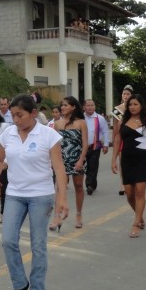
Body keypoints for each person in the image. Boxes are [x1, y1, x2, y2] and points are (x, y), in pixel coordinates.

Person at [0, 94, 67, 290]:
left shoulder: (48, 135)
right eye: (13, 115)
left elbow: (59, 168)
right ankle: (19, 285)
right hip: (14, 194)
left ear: (33, 113)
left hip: (41, 195)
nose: (15, 120)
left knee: (38, 246)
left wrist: (61, 197)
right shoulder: (8, 134)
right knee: (7, 241)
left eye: (20, 115)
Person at [110, 94, 146, 238]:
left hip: (143, 160)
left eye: (135, 104)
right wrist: (113, 160)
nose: (132, 107)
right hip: (126, 160)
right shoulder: (122, 122)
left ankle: (136, 223)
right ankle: (140, 216)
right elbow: (117, 141)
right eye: (130, 105)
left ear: (141, 106)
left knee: (140, 191)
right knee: (129, 193)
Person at [51, 96, 88, 230]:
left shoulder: (81, 123)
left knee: (78, 186)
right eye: (62, 105)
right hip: (61, 160)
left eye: (66, 105)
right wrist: (52, 160)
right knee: (60, 187)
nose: (63, 107)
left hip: (77, 158)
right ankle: (56, 216)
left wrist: (81, 160)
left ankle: (78, 214)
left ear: (73, 107)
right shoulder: (57, 124)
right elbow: (53, 145)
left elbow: (85, 144)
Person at [81, 98, 110, 195]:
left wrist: (105, 145)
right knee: (84, 167)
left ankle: (90, 185)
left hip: (95, 146)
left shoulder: (99, 118)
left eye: (92, 105)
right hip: (82, 147)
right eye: (88, 105)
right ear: (84, 107)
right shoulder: (80, 118)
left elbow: (105, 132)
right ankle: (93, 183)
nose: (90, 107)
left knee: (93, 166)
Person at [110, 85, 133, 193]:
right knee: (122, 161)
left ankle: (133, 182)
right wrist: (114, 139)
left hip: (132, 137)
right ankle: (123, 184)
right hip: (121, 138)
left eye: (128, 94)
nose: (126, 96)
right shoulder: (117, 109)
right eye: (124, 94)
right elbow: (115, 126)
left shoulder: (134, 107)